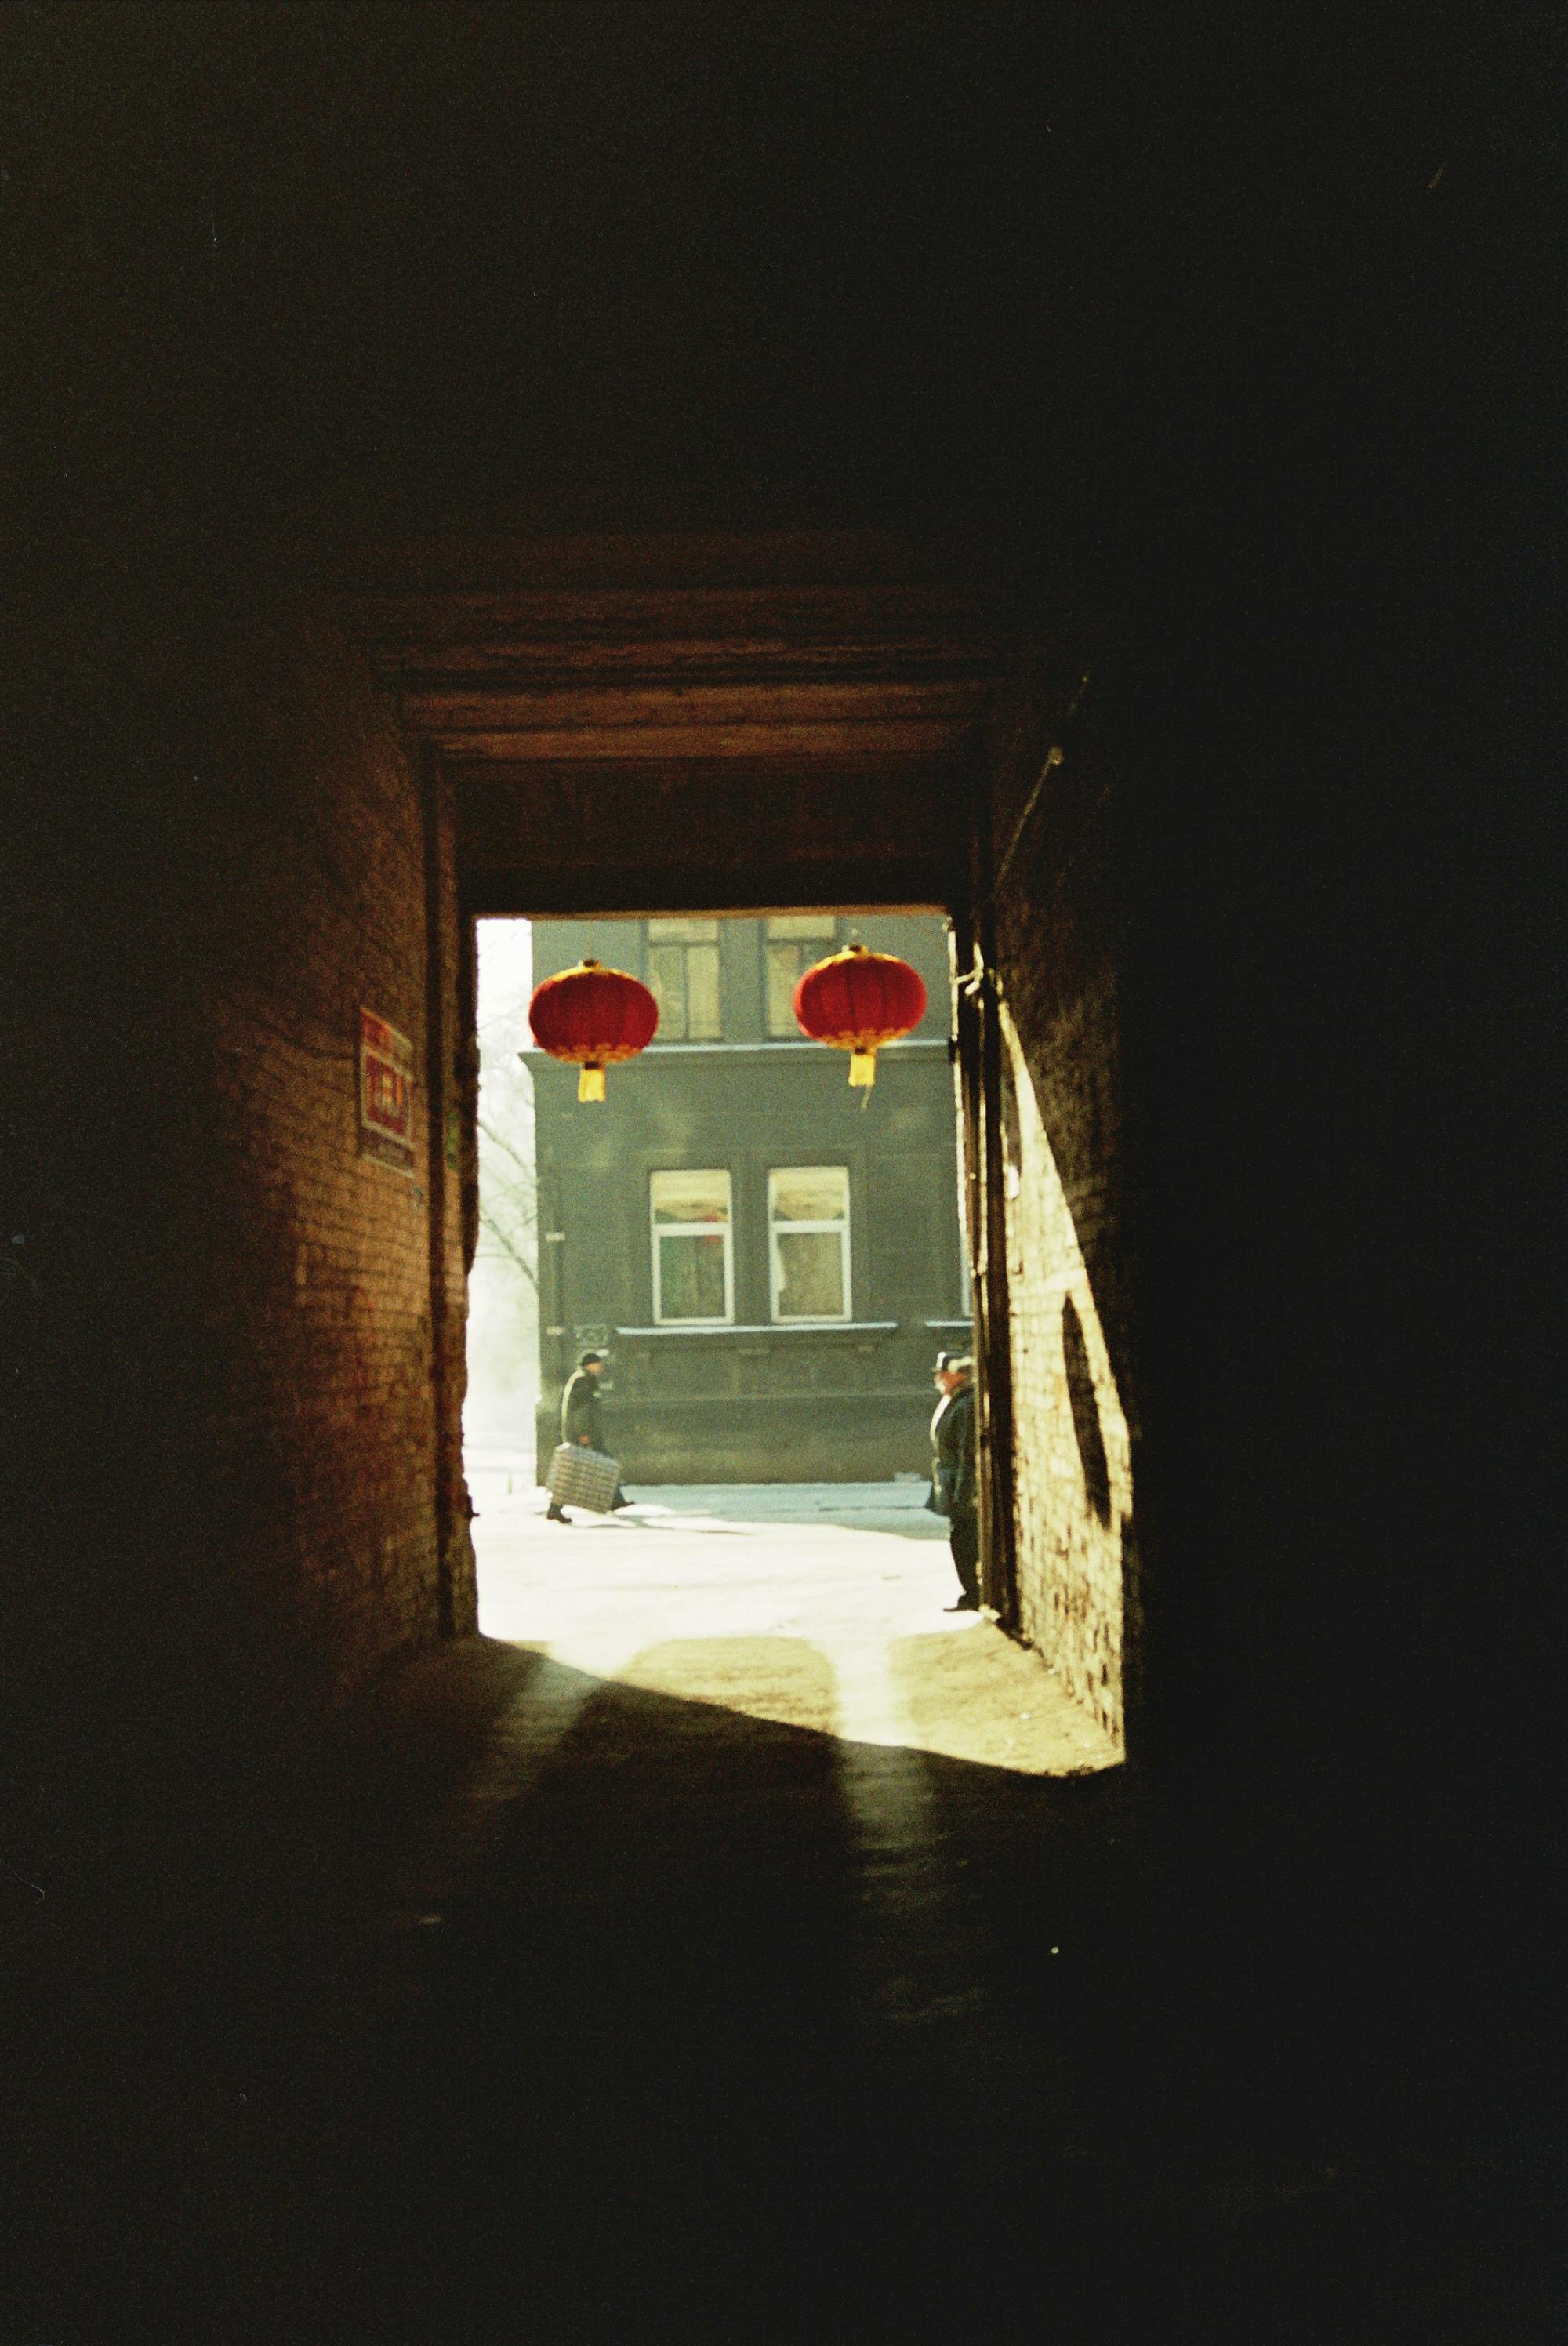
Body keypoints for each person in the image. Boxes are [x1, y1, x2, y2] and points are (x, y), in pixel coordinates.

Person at [546, 1350, 629, 1521]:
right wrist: (584, 1434)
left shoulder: (583, 1379)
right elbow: (581, 1411)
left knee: (595, 1466)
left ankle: (615, 1500)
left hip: (585, 1433)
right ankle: (555, 1508)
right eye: (598, 1364)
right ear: (589, 1365)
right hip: (583, 1434)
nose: (601, 1367)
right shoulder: (584, 1381)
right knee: (600, 1465)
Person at [929, 1349, 980, 1611]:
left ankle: (974, 1592)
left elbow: (967, 1453)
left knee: (964, 1540)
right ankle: (971, 1591)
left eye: (943, 1374)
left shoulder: (965, 1404)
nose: (938, 1378)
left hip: (961, 1489)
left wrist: (963, 1493)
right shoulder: (954, 1401)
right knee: (961, 1538)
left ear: (957, 1376)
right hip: (952, 1485)